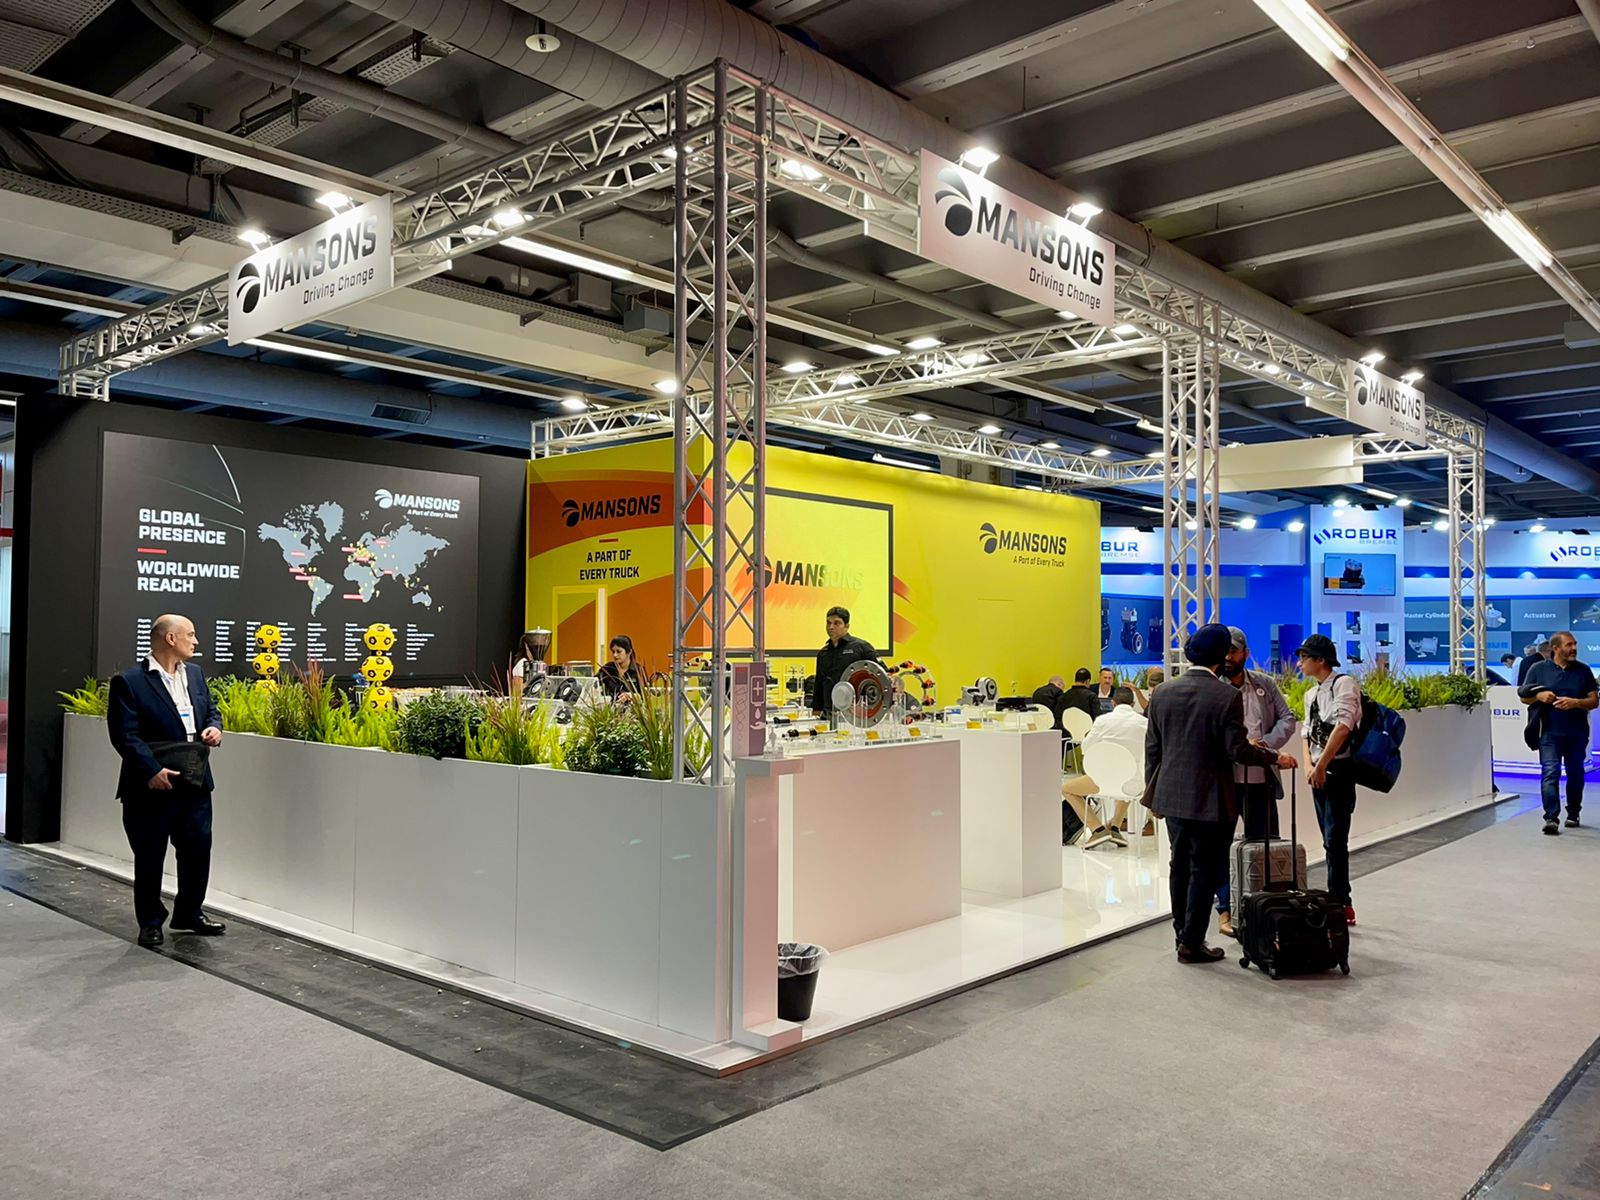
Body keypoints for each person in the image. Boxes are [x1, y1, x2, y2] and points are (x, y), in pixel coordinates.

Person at [1146, 623, 1295, 965]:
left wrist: (1153, 794)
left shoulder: (1163, 692)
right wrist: (1275, 757)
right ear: (1218, 658)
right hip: (1211, 798)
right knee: (1204, 868)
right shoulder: (1226, 696)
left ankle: (1181, 933)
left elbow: (1153, 749)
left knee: (1179, 866)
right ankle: (1192, 943)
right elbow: (1237, 749)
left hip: (1172, 796)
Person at [107, 614, 226, 948]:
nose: (196, 641)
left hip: (195, 779)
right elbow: (124, 735)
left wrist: (214, 727)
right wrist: (150, 771)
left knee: (197, 849)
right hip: (150, 785)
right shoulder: (129, 682)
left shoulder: (196, 674)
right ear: (171, 638)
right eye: (191, 634)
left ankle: (189, 912)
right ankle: (150, 922)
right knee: (150, 854)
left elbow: (211, 710)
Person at [1214, 627, 1298, 936]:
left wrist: (1265, 745)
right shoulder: (1214, 687)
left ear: (1245, 654)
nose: (1228, 657)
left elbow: (1288, 718)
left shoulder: (1264, 684)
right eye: (1224, 651)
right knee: (1221, 847)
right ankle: (1225, 909)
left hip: (1260, 779)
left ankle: (1267, 907)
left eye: (1233, 651)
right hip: (1225, 781)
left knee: (1265, 843)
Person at [1296, 634, 1362, 927]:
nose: (1299, 664)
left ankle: (1341, 900)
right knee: (1327, 838)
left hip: (1339, 770)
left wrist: (1322, 764)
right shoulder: (1311, 694)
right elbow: (1306, 732)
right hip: (1318, 771)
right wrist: (1309, 765)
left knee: (1336, 838)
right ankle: (1336, 898)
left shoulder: (1344, 684)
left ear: (1320, 660)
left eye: (1304, 658)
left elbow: (1344, 727)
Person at [1520, 630, 1598, 835]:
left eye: (1575, 644)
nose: (1574, 648)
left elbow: (1594, 701)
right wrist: (1539, 696)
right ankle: (1551, 818)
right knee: (1550, 772)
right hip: (1549, 732)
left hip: (1577, 733)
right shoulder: (1538, 669)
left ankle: (1573, 813)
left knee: (1575, 773)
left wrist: (1576, 702)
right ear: (1555, 648)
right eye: (1569, 645)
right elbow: (1524, 697)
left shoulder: (1583, 670)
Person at [1062, 687, 1147, 848]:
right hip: (1134, 783)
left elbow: (1086, 748)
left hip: (1102, 781)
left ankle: (1097, 829)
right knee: (1127, 780)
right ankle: (1114, 828)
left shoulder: (1102, 721)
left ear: (1113, 703)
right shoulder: (1145, 723)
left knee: (1067, 789)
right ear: (1133, 704)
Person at [813, 606, 876, 721]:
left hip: (855, 716)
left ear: (847, 626)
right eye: (828, 623)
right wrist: (816, 711)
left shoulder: (861, 647)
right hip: (829, 714)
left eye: (837, 623)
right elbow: (819, 684)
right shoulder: (823, 653)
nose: (831, 627)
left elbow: (881, 674)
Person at [597, 634, 647, 702]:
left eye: (619, 651)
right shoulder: (607, 669)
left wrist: (632, 696)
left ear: (629, 652)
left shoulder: (639, 670)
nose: (615, 655)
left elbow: (645, 695)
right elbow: (593, 684)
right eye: (613, 652)